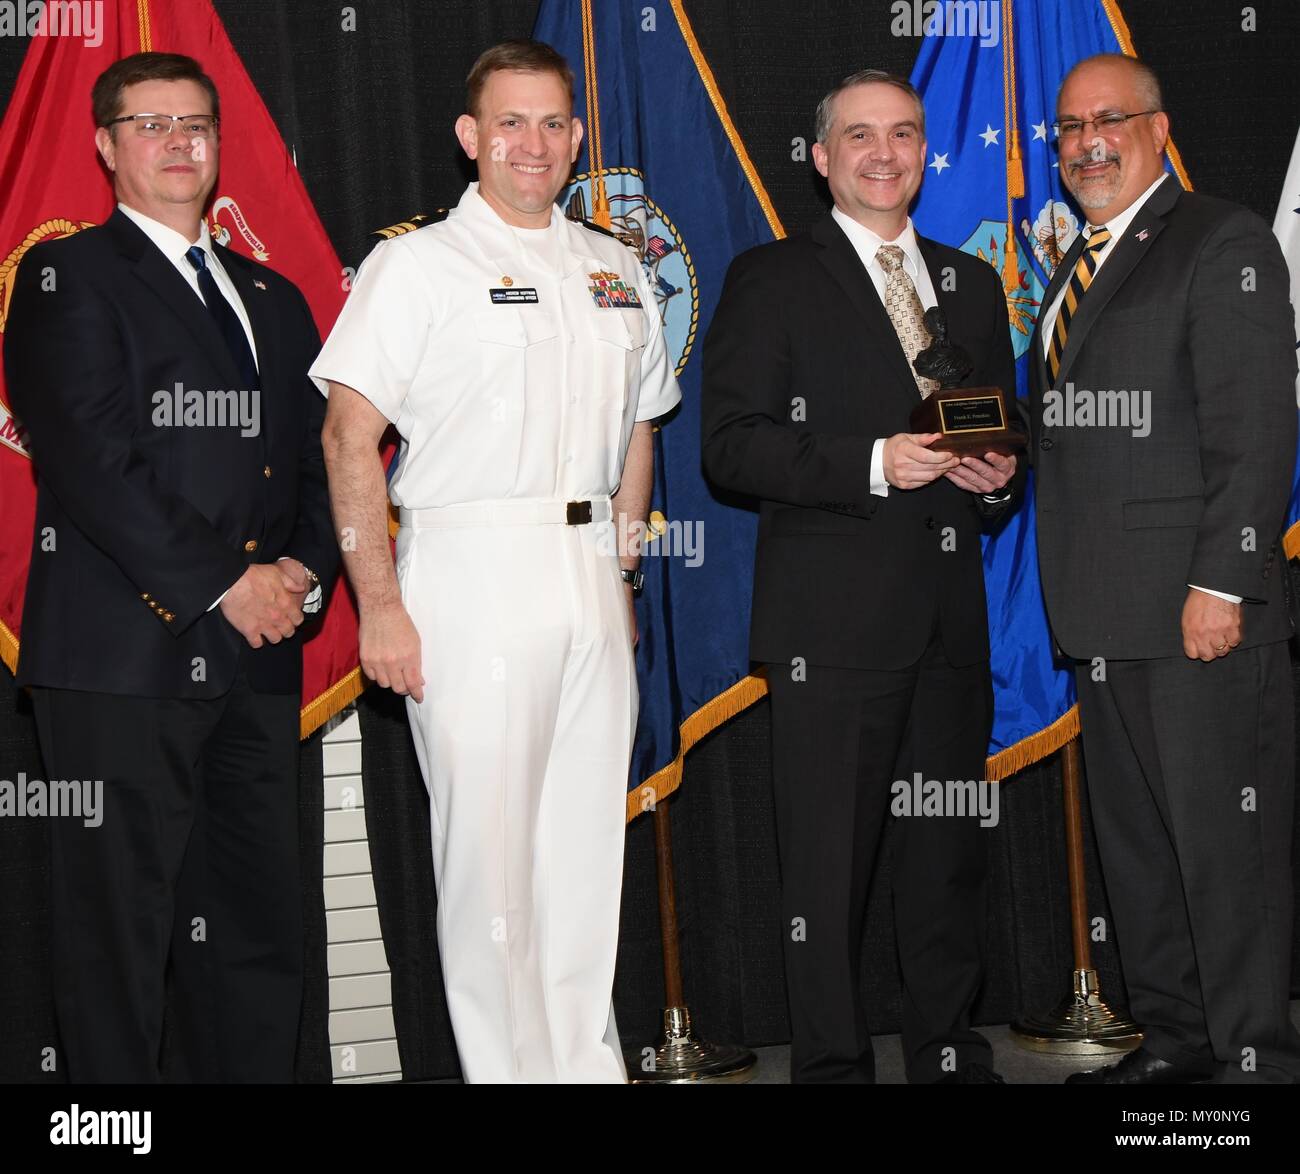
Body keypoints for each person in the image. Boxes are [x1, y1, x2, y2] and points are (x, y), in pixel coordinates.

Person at [312, 39, 680, 1084]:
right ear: (470, 138)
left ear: (575, 138)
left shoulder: (613, 266)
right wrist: (378, 605)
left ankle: (581, 1067)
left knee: (578, 856)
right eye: (509, 123)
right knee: (489, 866)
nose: (534, 143)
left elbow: (642, 428)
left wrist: (619, 575)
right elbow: (348, 437)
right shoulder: (417, 265)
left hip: (587, 576)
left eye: (553, 123)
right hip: (468, 569)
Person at [4, 52, 336, 1082]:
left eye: (196, 124)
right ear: (104, 146)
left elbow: (325, 460)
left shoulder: (273, 295)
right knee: (118, 939)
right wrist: (228, 583)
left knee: (255, 925)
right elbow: (91, 460)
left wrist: (303, 573)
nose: (179, 143)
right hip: (121, 662)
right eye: (150, 125)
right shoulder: (66, 278)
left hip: (256, 659)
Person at [702, 70, 1018, 1084]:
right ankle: (833, 1067)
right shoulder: (771, 277)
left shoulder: (972, 282)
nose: (884, 153)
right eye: (859, 136)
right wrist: (876, 462)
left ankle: (946, 1052)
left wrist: (997, 479)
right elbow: (733, 447)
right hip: (829, 638)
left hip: (949, 631)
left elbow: (1005, 442)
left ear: (925, 150)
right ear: (822, 157)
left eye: (904, 134)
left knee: (944, 865)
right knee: (825, 877)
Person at [1030, 53, 1300, 1085]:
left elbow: (1256, 431)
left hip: (1197, 616)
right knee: (1142, 861)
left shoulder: (1219, 239)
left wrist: (1222, 583)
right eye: (1069, 126)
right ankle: (1180, 1049)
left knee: (1223, 862)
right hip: (1102, 619)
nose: (1088, 139)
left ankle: (1251, 1065)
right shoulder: (1078, 260)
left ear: (1158, 127)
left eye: (1111, 118)